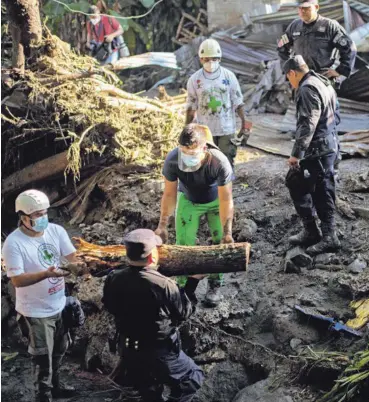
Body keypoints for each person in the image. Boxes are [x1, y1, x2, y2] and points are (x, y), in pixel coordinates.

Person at [102, 229, 204, 401]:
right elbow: (184, 313)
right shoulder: (164, 285)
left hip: (128, 349)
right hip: (158, 352)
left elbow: (109, 306)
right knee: (192, 378)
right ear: (152, 257)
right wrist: (192, 282)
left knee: (148, 391)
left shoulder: (113, 278)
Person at [2, 190, 78, 402]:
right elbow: (17, 280)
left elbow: (73, 257)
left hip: (59, 303)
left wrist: (86, 264)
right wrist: (46, 274)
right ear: (23, 217)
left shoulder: (56, 231)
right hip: (36, 312)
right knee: (43, 359)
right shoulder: (14, 243)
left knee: (59, 352)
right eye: (36, 215)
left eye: (44, 212)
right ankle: (43, 396)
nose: (41, 218)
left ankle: (56, 387)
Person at [155, 124, 234, 307]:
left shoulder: (219, 162)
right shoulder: (173, 159)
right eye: (184, 152)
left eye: (193, 154)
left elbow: (226, 200)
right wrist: (162, 225)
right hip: (188, 200)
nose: (188, 158)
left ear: (204, 148)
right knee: (183, 242)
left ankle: (215, 283)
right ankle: (182, 287)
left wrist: (227, 231)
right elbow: (169, 194)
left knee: (219, 241)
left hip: (215, 202)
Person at [283, 55, 340, 256]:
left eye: (288, 77)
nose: (289, 82)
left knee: (319, 191)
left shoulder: (307, 89)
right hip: (329, 145)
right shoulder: (322, 81)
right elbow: (336, 115)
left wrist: (296, 154)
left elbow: (307, 123)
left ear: (292, 73)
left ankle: (327, 236)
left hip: (318, 150)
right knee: (303, 184)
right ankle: (313, 231)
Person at [185, 38, 249, 167]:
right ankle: (211, 187)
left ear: (220, 58)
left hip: (227, 129)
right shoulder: (195, 80)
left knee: (226, 163)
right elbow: (191, 106)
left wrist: (245, 125)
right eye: (207, 59)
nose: (211, 62)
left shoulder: (229, 77)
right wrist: (186, 129)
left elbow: (238, 102)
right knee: (206, 163)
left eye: (214, 59)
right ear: (201, 59)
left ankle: (227, 187)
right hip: (205, 131)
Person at [277, 0, 356, 81]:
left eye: (307, 8)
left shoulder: (329, 26)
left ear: (316, 7)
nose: (302, 11)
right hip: (300, 78)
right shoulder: (294, 26)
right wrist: (288, 70)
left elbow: (349, 47)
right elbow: (282, 48)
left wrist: (340, 71)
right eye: (300, 8)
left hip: (323, 77)